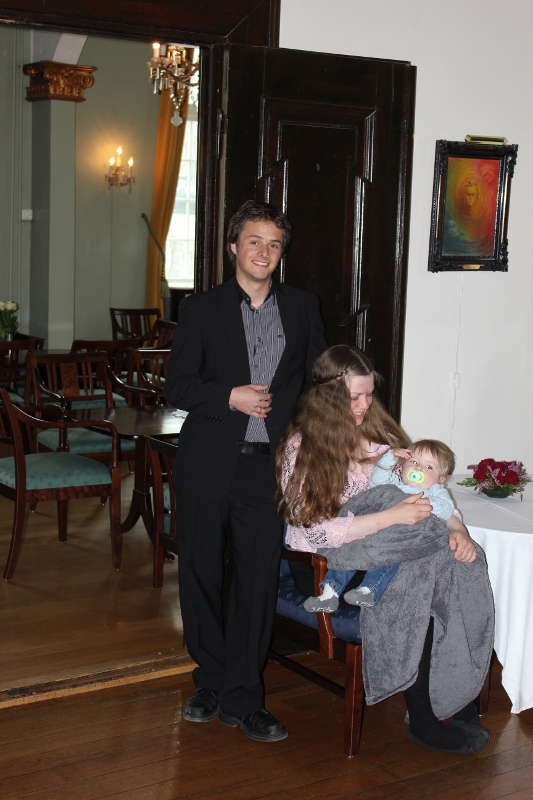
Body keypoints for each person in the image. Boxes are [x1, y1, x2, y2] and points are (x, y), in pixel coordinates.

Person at [165, 200, 327, 744]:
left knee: (256, 582)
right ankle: (209, 680)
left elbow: (318, 384)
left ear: (282, 253)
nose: (264, 251)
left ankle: (243, 696)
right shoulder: (201, 309)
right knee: (201, 576)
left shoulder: (303, 307)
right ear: (234, 246)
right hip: (207, 462)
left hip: (267, 468)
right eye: (254, 241)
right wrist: (228, 396)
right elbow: (177, 386)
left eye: (274, 244)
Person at [277, 344, 491, 754]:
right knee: (420, 571)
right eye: (354, 397)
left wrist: (458, 529)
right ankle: (425, 718)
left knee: (458, 561)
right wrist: (390, 518)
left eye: (369, 395)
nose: (364, 405)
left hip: (390, 552)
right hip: (327, 565)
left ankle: (452, 695)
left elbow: (431, 493)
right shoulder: (302, 446)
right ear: (327, 396)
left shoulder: (385, 439)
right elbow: (311, 531)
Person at [303, 439, 457, 612]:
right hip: (373, 534)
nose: (418, 468)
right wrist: (389, 458)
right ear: (403, 467)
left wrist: (424, 501)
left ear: (440, 479)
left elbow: (447, 510)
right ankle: (329, 593)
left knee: (390, 556)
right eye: (413, 462)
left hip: (399, 540)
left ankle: (369, 590)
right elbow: (376, 482)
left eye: (428, 467)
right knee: (349, 552)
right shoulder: (396, 484)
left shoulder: (435, 491)